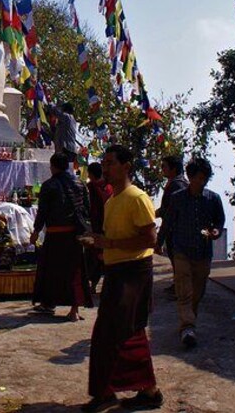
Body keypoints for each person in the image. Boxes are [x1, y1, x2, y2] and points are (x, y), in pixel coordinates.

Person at [80, 145, 163, 412]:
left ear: (126, 166)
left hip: (134, 272)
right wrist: (101, 247)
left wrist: (110, 243)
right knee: (110, 333)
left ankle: (128, 391)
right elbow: (114, 240)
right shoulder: (111, 201)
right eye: (103, 164)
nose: (105, 168)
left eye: (111, 163)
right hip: (116, 271)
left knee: (124, 333)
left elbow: (150, 239)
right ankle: (140, 390)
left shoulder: (137, 197)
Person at [164, 158, 225, 349]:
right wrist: (158, 242)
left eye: (205, 178)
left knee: (197, 292)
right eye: (199, 178)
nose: (202, 181)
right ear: (190, 177)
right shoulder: (178, 198)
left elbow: (219, 221)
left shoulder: (213, 199)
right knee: (184, 291)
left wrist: (215, 231)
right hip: (181, 250)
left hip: (203, 252)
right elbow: (168, 222)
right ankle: (187, 326)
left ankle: (189, 322)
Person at [30, 153, 93, 321]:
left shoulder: (49, 185)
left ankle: (48, 303)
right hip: (74, 234)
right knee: (75, 271)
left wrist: (35, 232)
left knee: (50, 270)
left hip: (55, 234)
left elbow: (42, 212)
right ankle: (74, 309)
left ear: (53, 166)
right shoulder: (80, 184)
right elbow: (87, 209)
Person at [155, 155, 187, 295]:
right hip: (177, 229)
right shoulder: (177, 183)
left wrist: (160, 239)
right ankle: (177, 285)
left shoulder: (177, 185)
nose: (162, 169)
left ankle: (180, 289)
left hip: (176, 229)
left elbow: (169, 212)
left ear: (173, 169)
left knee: (178, 260)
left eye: (164, 166)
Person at [85, 162, 113, 293]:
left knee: (95, 257)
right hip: (108, 225)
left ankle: (93, 285)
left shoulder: (91, 187)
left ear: (90, 174)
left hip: (96, 226)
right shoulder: (109, 186)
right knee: (105, 257)